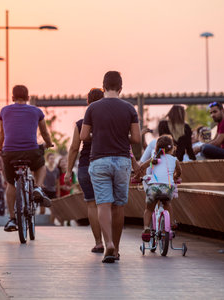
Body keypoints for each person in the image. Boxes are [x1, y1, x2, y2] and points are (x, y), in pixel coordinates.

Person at [80, 71, 141, 263]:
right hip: (122, 161)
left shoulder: (92, 108)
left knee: (103, 204)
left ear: (103, 86)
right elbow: (137, 139)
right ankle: (117, 247)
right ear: (121, 88)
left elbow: (83, 136)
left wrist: (98, 136)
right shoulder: (129, 108)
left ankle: (108, 244)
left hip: (99, 160)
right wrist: (122, 137)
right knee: (118, 206)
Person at [0, 85, 54, 232]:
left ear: (12, 98)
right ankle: (38, 188)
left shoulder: (4, 111)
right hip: (31, 151)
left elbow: (1, 134)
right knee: (41, 166)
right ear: (28, 98)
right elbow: (44, 132)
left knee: (11, 184)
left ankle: (12, 218)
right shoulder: (36, 111)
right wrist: (48, 144)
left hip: (9, 153)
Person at [65, 87, 104, 253]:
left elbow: (74, 148)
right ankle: (111, 242)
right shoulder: (108, 123)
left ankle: (99, 242)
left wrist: (68, 171)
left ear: (88, 103)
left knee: (92, 204)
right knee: (106, 204)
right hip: (103, 165)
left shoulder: (81, 124)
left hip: (85, 167)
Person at [138, 135, 181, 242]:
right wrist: (175, 177)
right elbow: (179, 172)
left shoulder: (154, 159)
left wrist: (137, 177)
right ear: (172, 148)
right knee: (167, 204)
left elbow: (142, 167)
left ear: (157, 148)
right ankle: (170, 224)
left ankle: (146, 228)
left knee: (148, 209)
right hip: (167, 188)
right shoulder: (174, 159)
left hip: (153, 188)